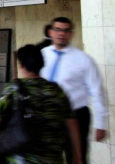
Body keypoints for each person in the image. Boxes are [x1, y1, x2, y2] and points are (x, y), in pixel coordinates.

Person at [0, 45, 82, 164]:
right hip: (52, 158)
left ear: (21, 65)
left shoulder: (13, 89)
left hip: (22, 158)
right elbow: (71, 123)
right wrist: (77, 155)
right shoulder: (56, 90)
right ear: (41, 64)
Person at [41, 17, 108, 164]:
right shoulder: (42, 55)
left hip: (76, 116)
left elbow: (97, 91)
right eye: (57, 29)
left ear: (71, 34)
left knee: (76, 158)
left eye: (66, 30)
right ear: (51, 32)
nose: (61, 34)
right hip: (47, 115)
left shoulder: (83, 59)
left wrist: (100, 123)